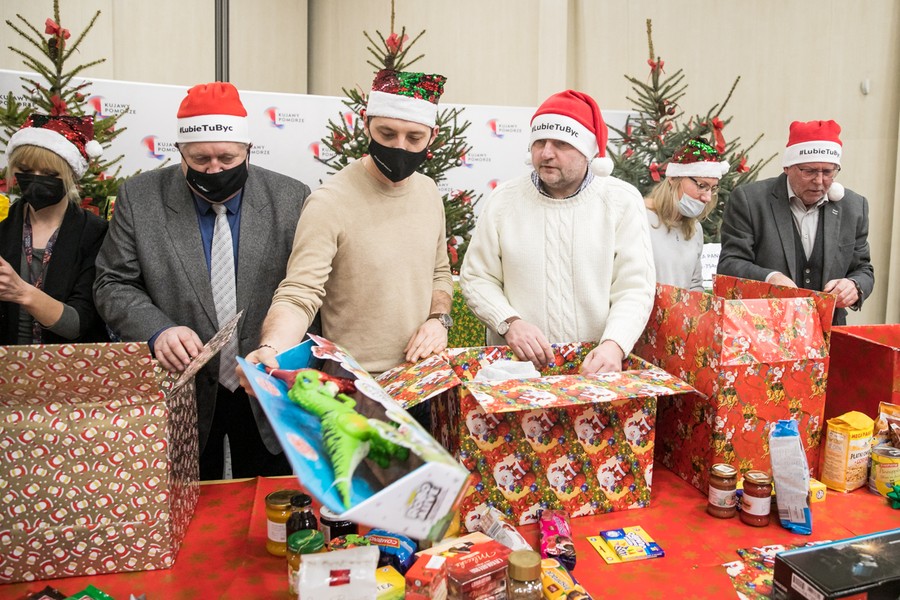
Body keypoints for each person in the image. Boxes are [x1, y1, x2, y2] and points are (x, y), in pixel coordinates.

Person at [93, 82, 311, 479]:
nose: (214, 169)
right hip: (182, 393)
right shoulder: (140, 199)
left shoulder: (290, 198)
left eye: (227, 158)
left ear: (248, 150)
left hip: (267, 387)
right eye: (200, 159)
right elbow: (112, 283)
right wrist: (158, 330)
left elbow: (308, 285)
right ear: (180, 153)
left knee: (273, 509)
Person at [239, 69, 453, 384]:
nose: (400, 147)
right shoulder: (329, 202)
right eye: (387, 134)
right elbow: (300, 292)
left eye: (414, 138)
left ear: (432, 136)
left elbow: (439, 273)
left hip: (424, 377)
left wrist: (438, 321)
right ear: (366, 124)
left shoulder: (428, 191)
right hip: (355, 384)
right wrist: (271, 347)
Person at [460, 90, 656, 374]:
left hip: (598, 369)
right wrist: (509, 322)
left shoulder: (622, 200)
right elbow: (477, 277)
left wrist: (615, 345)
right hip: (518, 370)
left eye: (562, 143)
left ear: (588, 151)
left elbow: (634, 287)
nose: (546, 153)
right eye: (539, 142)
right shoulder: (503, 200)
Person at [718, 119, 873, 325]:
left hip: (827, 330)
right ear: (787, 167)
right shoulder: (750, 201)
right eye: (808, 171)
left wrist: (854, 285)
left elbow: (863, 268)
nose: (819, 181)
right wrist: (770, 278)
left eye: (828, 172)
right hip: (763, 327)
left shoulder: (854, 207)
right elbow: (730, 263)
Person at [0, 114, 108, 345]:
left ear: (71, 175)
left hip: (67, 369)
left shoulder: (95, 234)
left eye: (50, 174)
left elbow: (80, 323)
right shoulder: (4, 230)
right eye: (26, 170)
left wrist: (21, 291)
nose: (37, 180)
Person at [644, 138, 728, 291]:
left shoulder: (695, 228)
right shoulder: (640, 219)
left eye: (712, 188)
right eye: (702, 186)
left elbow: (695, 285)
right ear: (673, 178)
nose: (707, 197)